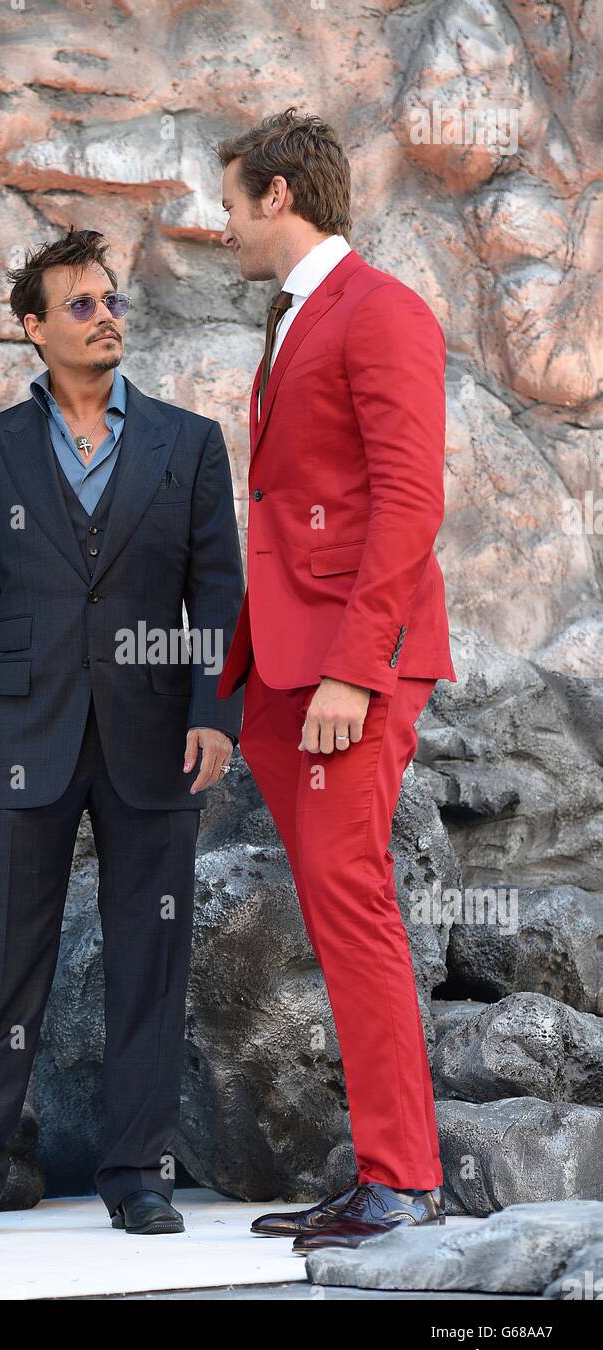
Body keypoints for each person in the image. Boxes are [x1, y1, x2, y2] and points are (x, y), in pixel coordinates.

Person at [0, 227, 244, 1241]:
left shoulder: (187, 443)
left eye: (113, 301)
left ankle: (138, 1173)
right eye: (84, 305)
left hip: (155, 735)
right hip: (25, 726)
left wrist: (213, 712)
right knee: (5, 961)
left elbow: (218, 592)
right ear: (35, 328)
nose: (107, 318)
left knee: (152, 957)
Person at [215, 109, 457, 1252]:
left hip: (347, 669)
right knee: (335, 908)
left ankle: (402, 1181)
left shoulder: (383, 310)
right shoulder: (294, 318)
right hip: (283, 665)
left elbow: (409, 504)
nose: (222, 229)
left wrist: (354, 671)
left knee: (353, 909)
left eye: (228, 205)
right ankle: (381, 1173)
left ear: (276, 195)